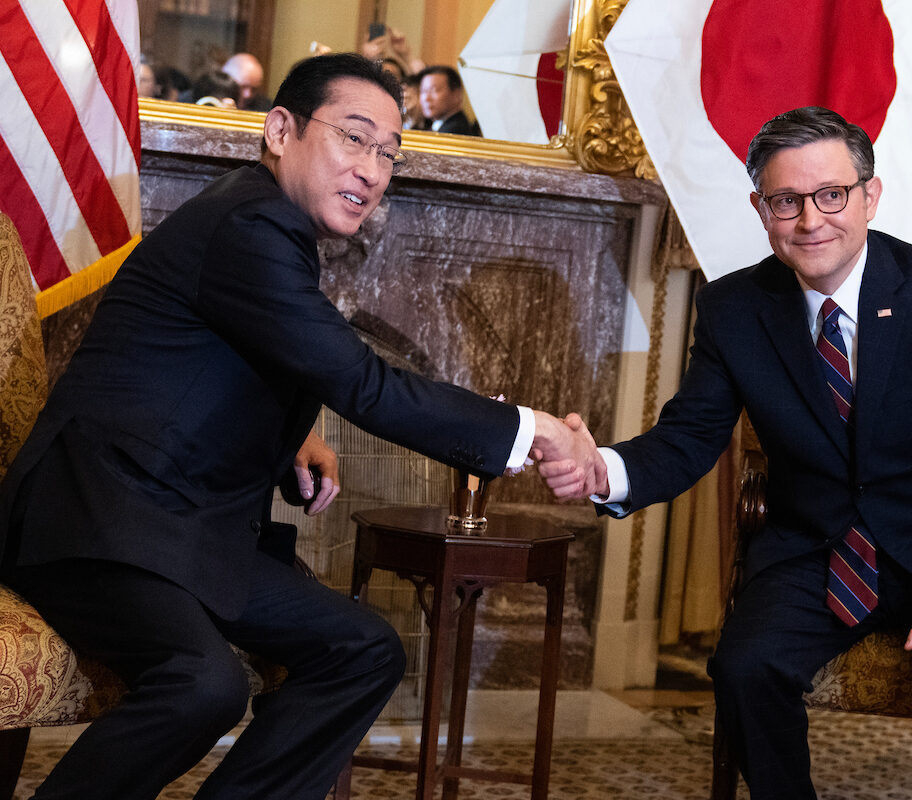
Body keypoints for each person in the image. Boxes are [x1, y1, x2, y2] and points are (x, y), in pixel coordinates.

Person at [0, 52, 602, 800]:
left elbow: (214, 365)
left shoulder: (269, 221)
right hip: (99, 520)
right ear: (280, 129)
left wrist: (291, 436)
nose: (374, 171)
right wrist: (532, 429)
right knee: (202, 684)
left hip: (182, 523)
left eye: (389, 153)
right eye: (354, 138)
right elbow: (361, 380)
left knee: (362, 649)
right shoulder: (248, 223)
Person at [541, 107, 912, 799]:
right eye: (787, 200)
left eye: (832, 195)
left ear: (870, 196)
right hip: (817, 551)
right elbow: (689, 437)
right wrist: (602, 468)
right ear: (761, 208)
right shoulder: (734, 308)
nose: (811, 220)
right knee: (744, 669)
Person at [417, 65, 482, 136]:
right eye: (423, 91)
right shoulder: (440, 126)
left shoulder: (454, 132)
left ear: (456, 94)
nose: (426, 98)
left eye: (434, 90)